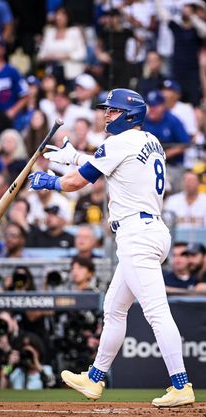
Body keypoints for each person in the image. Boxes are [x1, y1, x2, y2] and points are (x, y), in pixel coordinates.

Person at [28, 87, 195, 406]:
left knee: (156, 312)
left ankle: (181, 385)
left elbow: (77, 182)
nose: (106, 114)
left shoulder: (119, 143)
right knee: (115, 308)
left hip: (137, 234)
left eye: (114, 110)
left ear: (130, 115)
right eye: (107, 109)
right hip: (149, 230)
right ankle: (94, 379)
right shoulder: (149, 140)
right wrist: (74, 156)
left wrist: (50, 181)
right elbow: (109, 166)